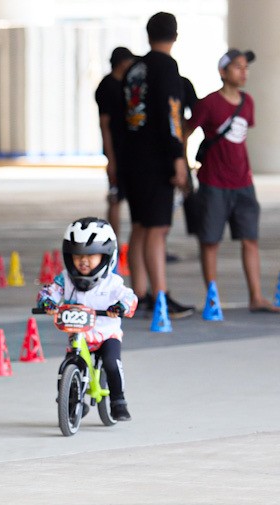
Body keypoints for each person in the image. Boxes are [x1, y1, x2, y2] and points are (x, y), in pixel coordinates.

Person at [186, 49, 279, 313]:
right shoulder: (209, 103)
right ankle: (213, 299)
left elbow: (240, 136)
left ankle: (257, 297)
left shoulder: (247, 102)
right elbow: (186, 131)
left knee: (250, 238)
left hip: (243, 183)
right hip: (213, 183)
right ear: (223, 72)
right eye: (238, 67)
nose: (243, 72)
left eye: (245, 67)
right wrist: (181, 163)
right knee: (210, 240)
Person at [121, 12, 194, 318]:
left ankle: (138, 294)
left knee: (140, 227)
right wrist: (178, 157)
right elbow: (171, 114)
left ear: (148, 35)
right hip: (157, 159)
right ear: (175, 36)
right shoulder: (167, 67)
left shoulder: (134, 68)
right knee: (157, 228)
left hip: (132, 159)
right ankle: (161, 298)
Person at [37, 217, 138, 421]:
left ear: (107, 255)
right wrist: (47, 303)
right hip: (77, 332)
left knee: (111, 363)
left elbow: (130, 298)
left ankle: (118, 401)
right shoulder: (65, 279)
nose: (83, 261)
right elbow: (50, 291)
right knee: (67, 365)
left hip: (105, 334)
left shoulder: (112, 283)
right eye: (77, 256)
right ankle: (71, 401)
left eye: (91, 255)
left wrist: (120, 307)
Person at [95, 46, 136, 238]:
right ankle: (114, 242)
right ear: (122, 63)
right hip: (117, 151)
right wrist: (111, 158)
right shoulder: (106, 87)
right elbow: (104, 124)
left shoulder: (129, 84)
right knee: (115, 198)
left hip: (132, 151)